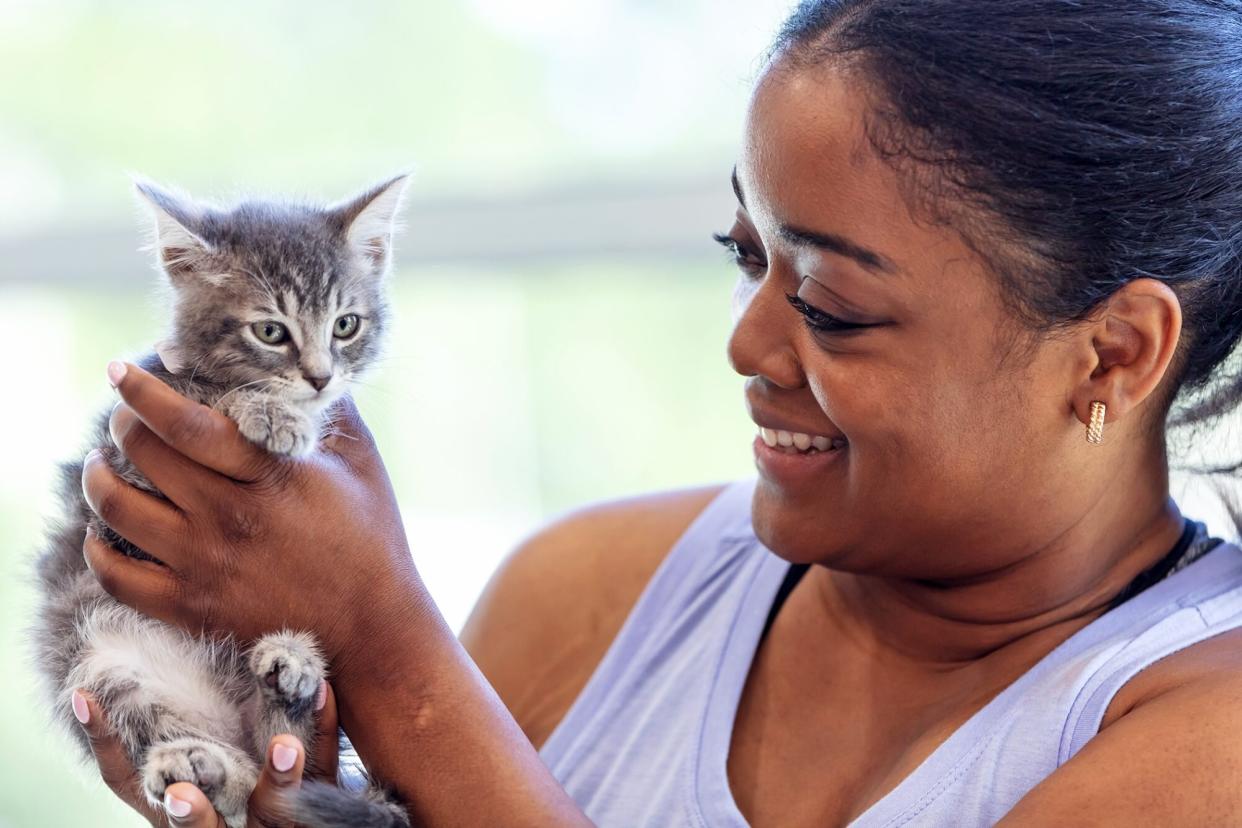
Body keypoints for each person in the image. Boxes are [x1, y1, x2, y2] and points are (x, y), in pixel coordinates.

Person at [72, 0, 1242, 825]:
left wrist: (395, 656)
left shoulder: (1208, 733)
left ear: (1114, 354)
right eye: (747, 255)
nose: (744, 341)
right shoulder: (585, 589)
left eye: (830, 305)